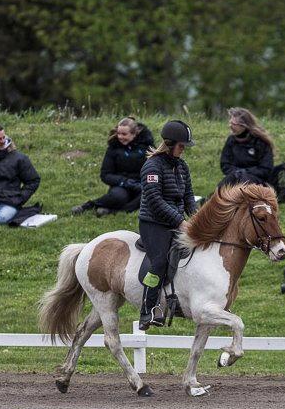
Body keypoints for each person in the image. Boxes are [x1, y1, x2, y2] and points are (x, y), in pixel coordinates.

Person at [138, 120, 198, 330]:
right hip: (153, 223)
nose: (183, 150)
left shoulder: (182, 166)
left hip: (175, 221)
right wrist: (180, 221)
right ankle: (148, 309)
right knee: (159, 262)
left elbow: (189, 196)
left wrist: (198, 220)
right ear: (170, 143)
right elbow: (155, 201)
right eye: (181, 146)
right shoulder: (152, 166)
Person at [71, 117, 154, 217]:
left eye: (124, 134)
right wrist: (125, 182)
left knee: (149, 195)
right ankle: (88, 206)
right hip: (121, 185)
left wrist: (148, 183)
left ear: (134, 134)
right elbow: (105, 174)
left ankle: (113, 211)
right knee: (118, 197)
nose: (120, 137)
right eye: (118, 133)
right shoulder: (113, 149)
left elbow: (155, 169)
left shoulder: (148, 147)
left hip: (142, 185)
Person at [218, 107, 274, 187]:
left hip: (256, 181)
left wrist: (244, 173)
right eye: (230, 123)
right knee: (223, 187)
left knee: (243, 182)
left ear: (244, 126)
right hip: (234, 177)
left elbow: (265, 168)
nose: (230, 126)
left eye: (234, 124)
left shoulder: (260, 141)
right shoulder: (231, 140)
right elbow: (225, 164)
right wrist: (237, 173)